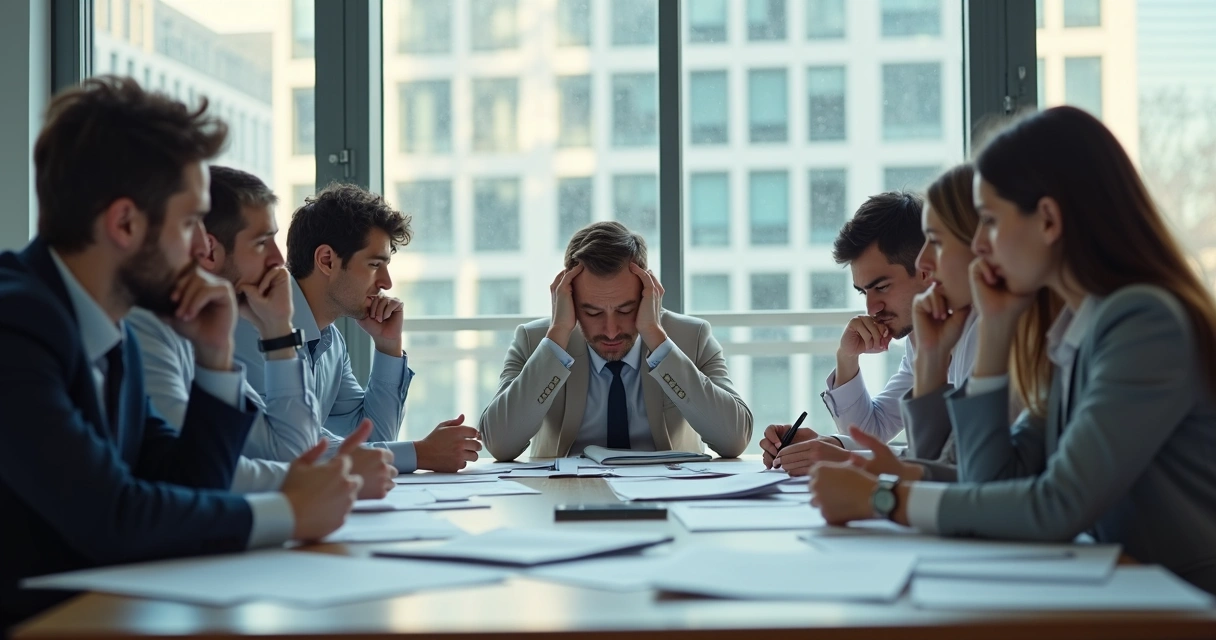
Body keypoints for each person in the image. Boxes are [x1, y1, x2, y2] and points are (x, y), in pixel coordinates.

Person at [810, 106, 1216, 595]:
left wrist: (885, 498)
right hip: (1131, 591)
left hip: (1183, 603)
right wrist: (993, 335)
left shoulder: (1140, 322)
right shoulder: (1075, 325)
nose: (980, 244)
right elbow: (999, 477)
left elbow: (1057, 504)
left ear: (1047, 220)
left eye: (990, 221)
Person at [0, 77, 360, 627]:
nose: (202, 249)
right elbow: (112, 514)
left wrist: (216, 359)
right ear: (125, 223)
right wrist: (288, 513)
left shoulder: (109, 330)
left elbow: (183, 485)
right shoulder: (16, 324)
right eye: (191, 221)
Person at [129, 166, 396, 497]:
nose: (279, 259)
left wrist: (278, 332)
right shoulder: (146, 330)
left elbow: (290, 450)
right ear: (209, 250)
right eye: (261, 243)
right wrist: (318, 483)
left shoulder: (202, 329)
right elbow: (199, 473)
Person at [234, 183, 482, 473]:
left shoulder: (331, 342)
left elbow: (373, 438)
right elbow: (288, 448)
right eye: (375, 264)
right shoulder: (252, 326)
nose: (387, 283)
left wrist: (388, 347)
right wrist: (420, 453)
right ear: (327, 260)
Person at [479, 221, 752, 460]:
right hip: (566, 496)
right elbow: (500, 444)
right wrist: (558, 334)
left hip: (667, 498)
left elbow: (734, 439)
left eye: (625, 310)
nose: (611, 331)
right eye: (592, 312)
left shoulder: (691, 337)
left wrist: (657, 341)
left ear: (650, 294)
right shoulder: (535, 341)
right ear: (568, 298)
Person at [761, 192, 932, 473]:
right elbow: (871, 432)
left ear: (926, 271)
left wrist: (842, 456)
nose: (871, 307)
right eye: (864, 291)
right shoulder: (921, 343)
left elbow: (951, 458)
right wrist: (847, 358)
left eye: (881, 287)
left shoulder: (978, 335)